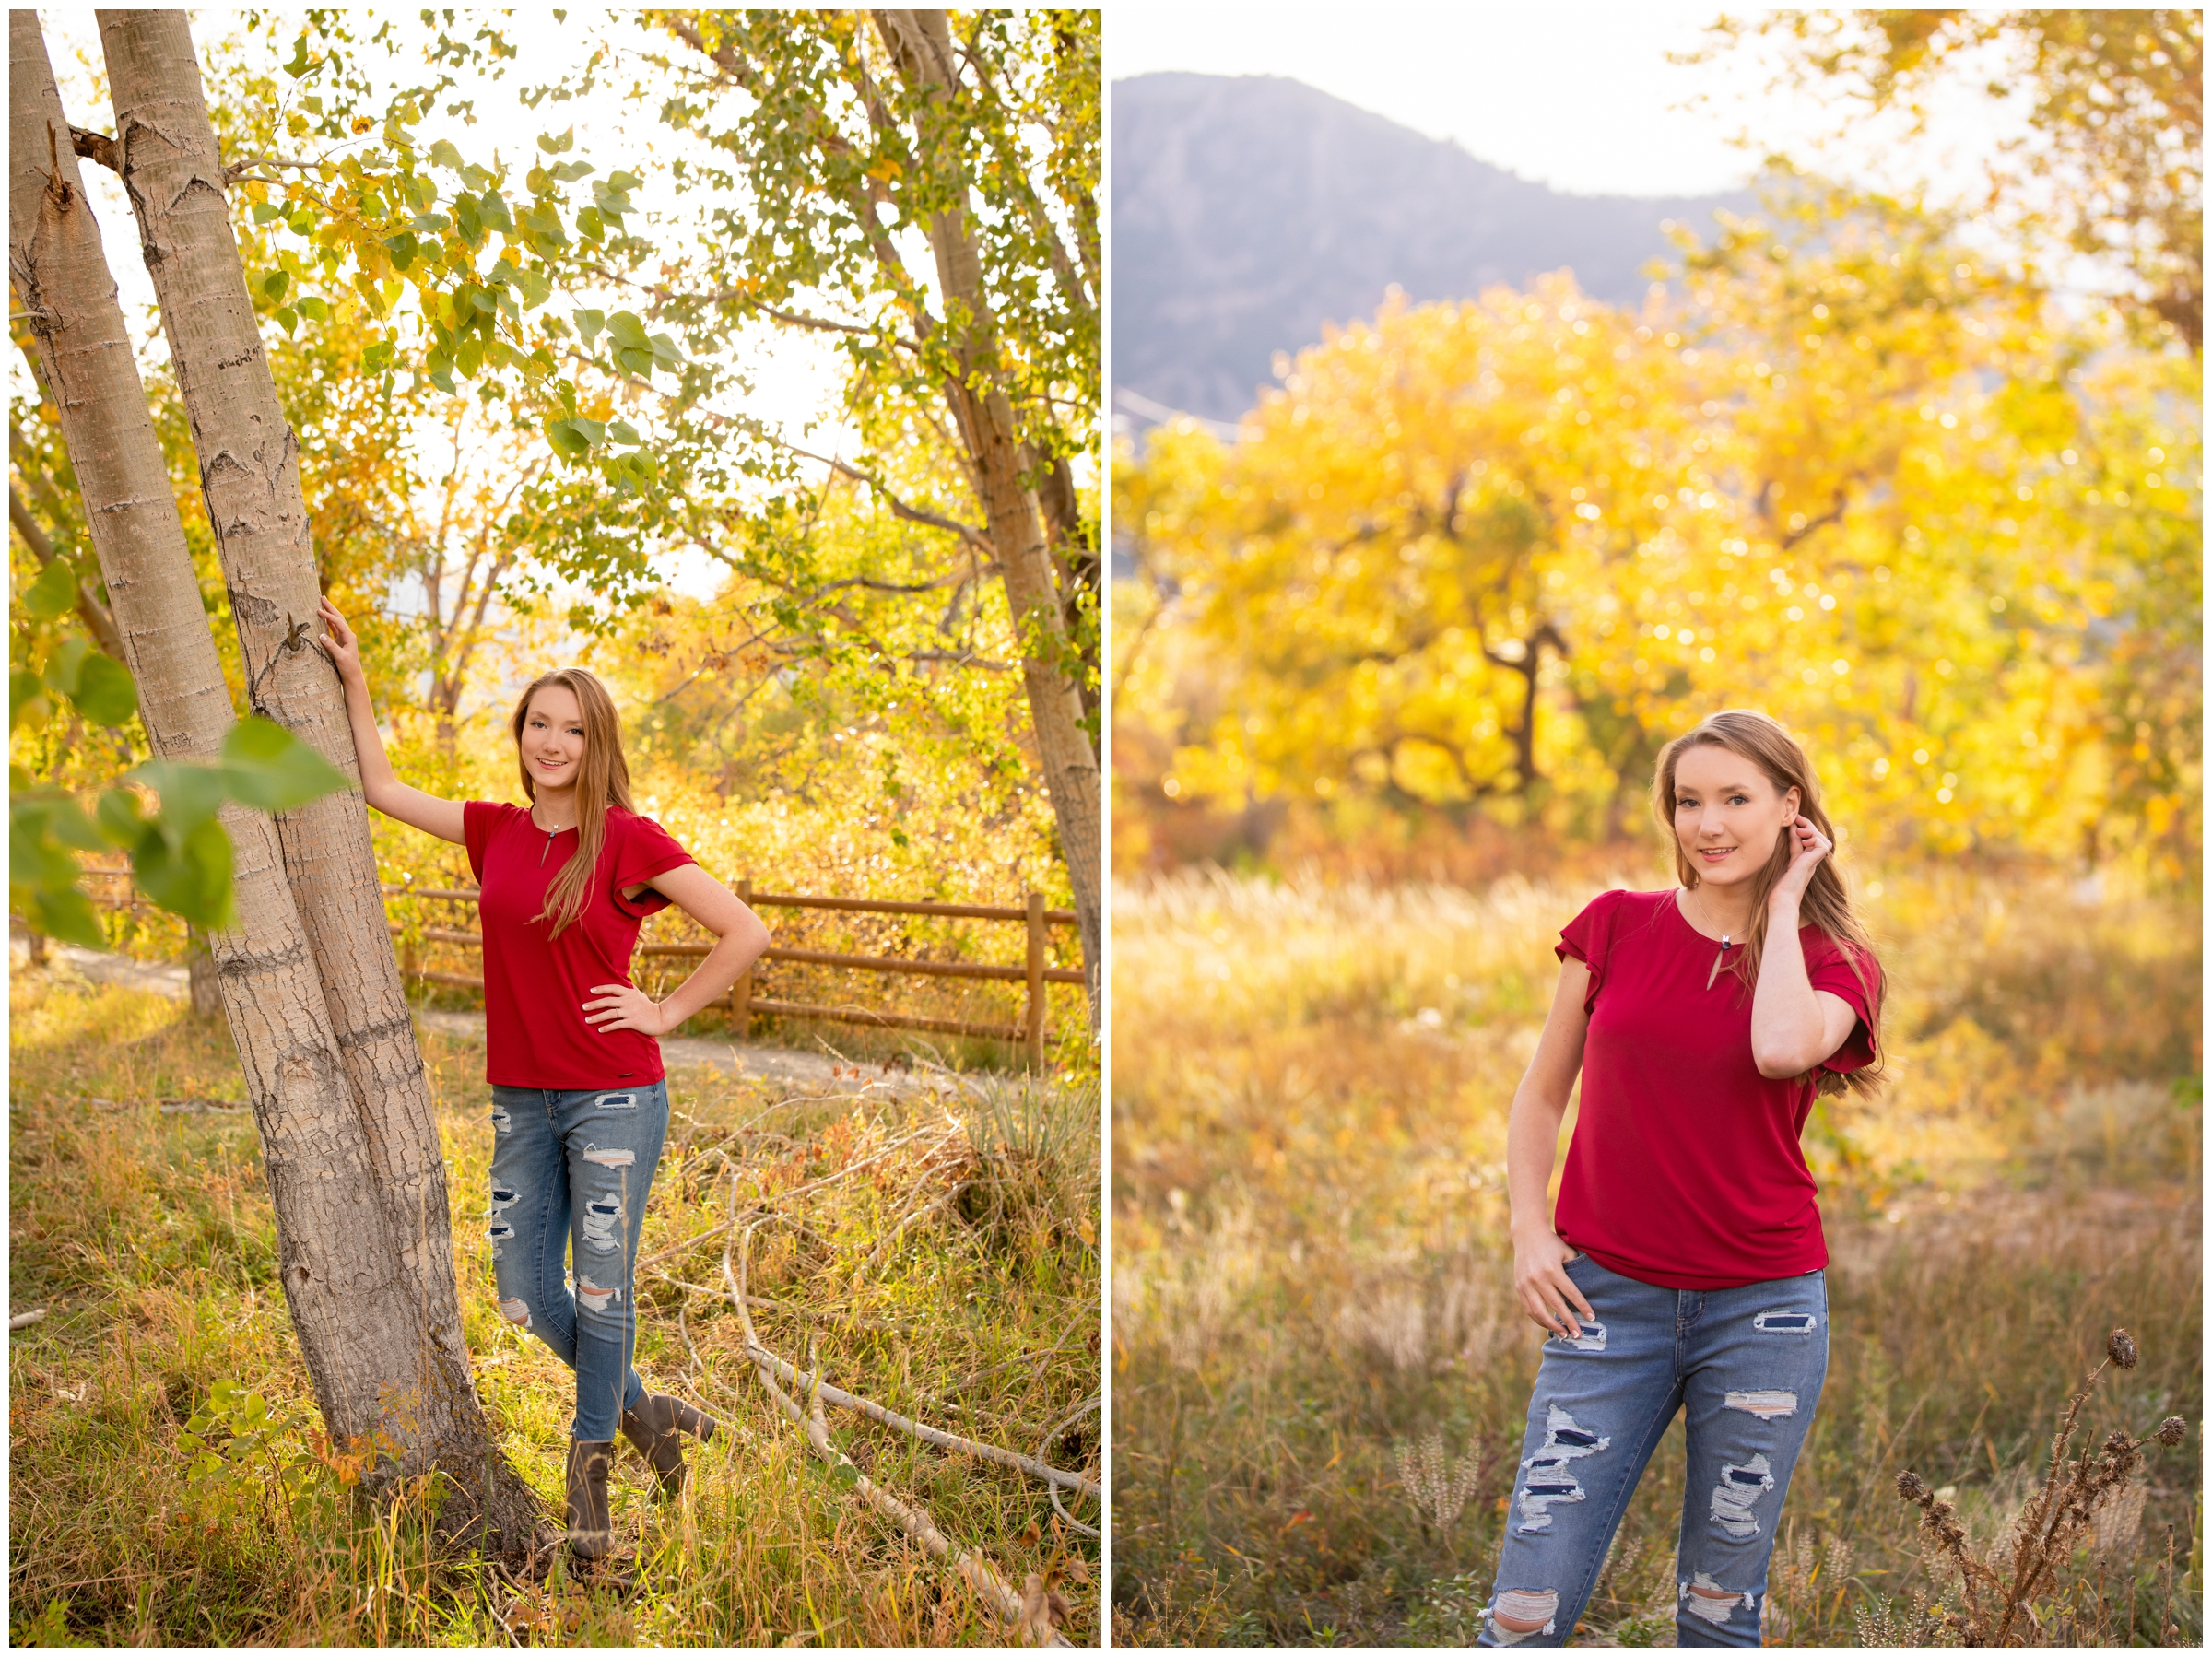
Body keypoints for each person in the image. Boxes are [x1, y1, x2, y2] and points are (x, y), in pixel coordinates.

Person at [319, 597, 771, 1562]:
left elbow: (745, 931)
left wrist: (665, 1010)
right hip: (522, 1098)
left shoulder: (630, 839)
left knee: (602, 1294)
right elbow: (382, 787)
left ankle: (590, 1486)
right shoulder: (493, 831)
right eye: (538, 723)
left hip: (615, 1093)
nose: (553, 740)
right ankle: (652, 1413)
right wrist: (355, 679)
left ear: (594, 739)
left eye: (573, 726)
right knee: (524, 1292)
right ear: (520, 736)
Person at [1479, 709, 1885, 1648]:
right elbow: (1541, 1099)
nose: (1708, 823)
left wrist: (1782, 908)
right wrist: (1531, 1234)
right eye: (1688, 800)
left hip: (1765, 1313)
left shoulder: (1835, 964)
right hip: (1606, 1302)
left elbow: (1782, 1049)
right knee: (1523, 1609)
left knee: (1717, 1607)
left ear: (1792, 809)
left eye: (1736, 798)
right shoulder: (1615, 926)